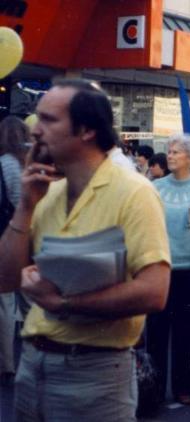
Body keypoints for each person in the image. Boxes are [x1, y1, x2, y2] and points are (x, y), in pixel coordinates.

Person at [0, 79, 171, 420]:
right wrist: (25, 206)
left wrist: (64, 304)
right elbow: (4, 279)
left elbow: (154, 292)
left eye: (50, 120)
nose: (35, 130)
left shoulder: (134, 193)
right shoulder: (44, 191)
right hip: (32, 367)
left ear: (87, 130)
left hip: (95, 374)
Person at [148, 133, 190, 406]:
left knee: (183, 331)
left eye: (176, 152)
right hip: (158, 269)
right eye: (169, 151)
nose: (170, 156)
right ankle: (152, 390)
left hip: (188, 272)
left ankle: (182, 388)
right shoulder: (155, 186)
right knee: (155, 332)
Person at [0, 116, 27, 384]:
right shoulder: (30, 162)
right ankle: (34, 355)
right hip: (35, 237)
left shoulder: (3, 163)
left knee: (5, 302)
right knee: (31, 300)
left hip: (8, 237)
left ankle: (6, 363)